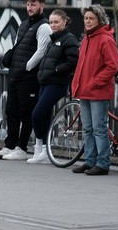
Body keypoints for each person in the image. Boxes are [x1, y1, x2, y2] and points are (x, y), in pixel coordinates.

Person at [0, 0, 52, 161]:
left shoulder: (44, 26)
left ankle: (21, 147)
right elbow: (18, 45)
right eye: (28, 4)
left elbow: (41, 51)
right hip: (15, 75)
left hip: (28, 77)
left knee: (26, 113)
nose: (30, 8)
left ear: (42, 5)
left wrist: (27, 67)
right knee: (11, 111)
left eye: (33, 4)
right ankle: (10, 145)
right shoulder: (24, 24)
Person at [70, 5, 118, 176]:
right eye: (86, 18)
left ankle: (103, 163)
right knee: (88, 128)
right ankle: (90, 161)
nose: (88, 21)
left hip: (97, 90)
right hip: (86, 90)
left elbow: (113, 65)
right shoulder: (86, 39)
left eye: (91, 18)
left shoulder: (105, 39)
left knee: (99, 128)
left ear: (99, 19)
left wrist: (96, 82)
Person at [27, 9, 80, 164]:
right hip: (46, 81)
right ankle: (43, 151)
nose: (53, 25)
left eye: (56, 22)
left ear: (64, 21)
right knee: (44, 115)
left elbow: (72, 61)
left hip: (56, 83)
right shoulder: (53, 39)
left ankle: (41, 148)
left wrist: (56, 70)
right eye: (51, 22)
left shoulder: (69, 39)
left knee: (36, 114)